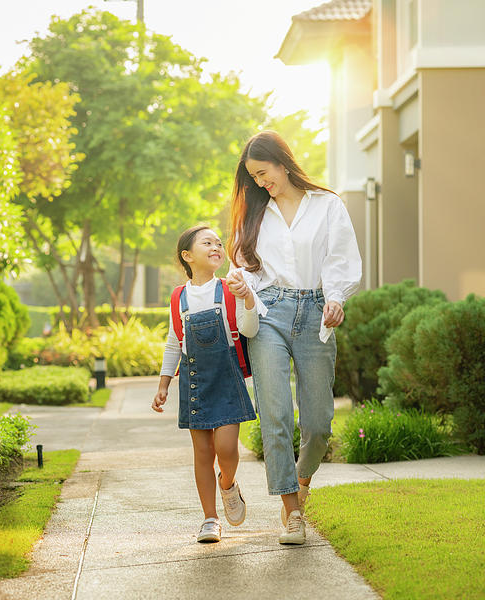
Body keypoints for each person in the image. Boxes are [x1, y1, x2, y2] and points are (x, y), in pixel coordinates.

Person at [226, 130, 362, 545]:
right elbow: (244, 267)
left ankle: (301, 481)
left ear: (282, 162)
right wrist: (240, 285)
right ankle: (291, 511)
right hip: (268, 312)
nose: (261, 182)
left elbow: (341, 260)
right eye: (253, 177)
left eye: (263, 173)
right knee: (276, 414)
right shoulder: (254, 214)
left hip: (315, 312)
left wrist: (336, 299)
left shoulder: (327, 206)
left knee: (319, 422)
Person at [152, 225, 259, 543]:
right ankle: (210, 519)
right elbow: (174, 343)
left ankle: (227, 484)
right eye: (206, 242)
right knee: (202, 452)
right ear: (188, 256)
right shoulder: (178, 297)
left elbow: (249, 330)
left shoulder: (229, 289)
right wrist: (163, 384)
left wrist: (248, 298)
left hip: (227, 378)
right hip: (194, 380)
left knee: (226, 449)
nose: (216, 246)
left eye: (218, 242)